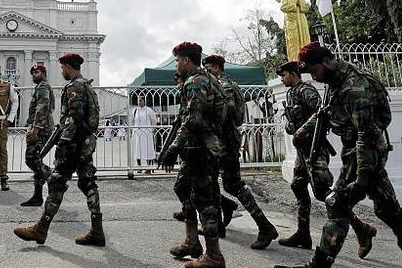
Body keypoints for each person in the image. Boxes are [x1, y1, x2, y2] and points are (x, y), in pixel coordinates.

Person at [275, 42, 402, 268]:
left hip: (365, 154)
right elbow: (324, 112)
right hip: (360, 152)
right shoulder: (334, 82)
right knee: (391, 212)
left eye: (315, 70)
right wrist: (304, 130)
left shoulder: (352, 88)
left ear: (327, 61)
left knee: (338, 205)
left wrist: (361, 178)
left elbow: (365, 134)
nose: (315, 77)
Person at [276, 61, 376, 256]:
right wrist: (292, 126)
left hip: (315, 148)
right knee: (298, 185)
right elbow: (294, 122)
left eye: (284, 75)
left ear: (294, 74)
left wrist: (306, 130)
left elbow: (321, 115)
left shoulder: (307, 91)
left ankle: (361, 228)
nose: (282, 79)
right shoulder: (292, 93)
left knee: (323, 192)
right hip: (302, 150)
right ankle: (303, 233)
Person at [14, 53, 105, 247]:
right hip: (85, 142)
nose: (61, 71)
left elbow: (75, 117)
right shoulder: (86, 85)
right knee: (88, 183)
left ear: (68, 67)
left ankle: (41, 228)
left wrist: (63, 144)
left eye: (63, 67)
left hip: (74, 143)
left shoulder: (74, 86)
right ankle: (97, 229)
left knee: (56, 182)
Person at [160, 43, 227, 268]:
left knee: (205, 200)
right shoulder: (207, 79)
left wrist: (172, 149)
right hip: (200, 147)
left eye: (178, 60)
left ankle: (214, 256)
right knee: (182, 188)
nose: (177, 64)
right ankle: (191, 241)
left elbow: (193, 121)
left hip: (201, 148)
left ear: (186, 60)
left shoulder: (196, 82)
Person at [202, 54, 278, 248]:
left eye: (209, 68)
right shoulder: (227, 84)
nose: (207, 71)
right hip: (224, 141)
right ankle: (222, 218)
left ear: (217, 68)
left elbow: (225, 114)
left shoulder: (224, 85)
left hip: (225, 141)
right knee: (223, 184)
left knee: (231, 184)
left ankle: (265, 226)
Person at [20, 64, 54, 207]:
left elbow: (43, 107)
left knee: (31, 158)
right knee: (36, 159)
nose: (34, 74)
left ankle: (53, 179)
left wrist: (36, 128)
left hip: (41, 129)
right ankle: (38, 196)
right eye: (33, 72)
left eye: (37, 72)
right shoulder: (40, 86)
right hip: (39, 127)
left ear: (44, 73)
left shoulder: (43, 87)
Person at [131, 97, 157, 173]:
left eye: (141, 100)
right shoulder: (135, 111)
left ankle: (148, 167)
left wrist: (150, 130)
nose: (139, 102)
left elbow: (154, 121)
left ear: (144, 101)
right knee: (137, 150)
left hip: (147, 133)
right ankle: (139, 167)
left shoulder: (149, 110)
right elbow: (132, 121)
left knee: (147, 150)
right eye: (138, 101)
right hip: (137, 133)